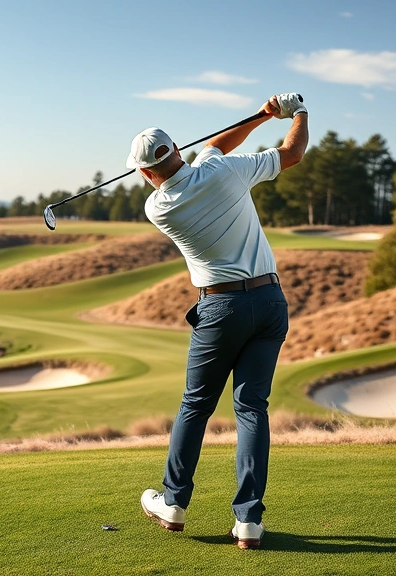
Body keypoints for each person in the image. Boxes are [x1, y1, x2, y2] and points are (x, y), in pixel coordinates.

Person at [135, 93, 309, 550]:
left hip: (221, 309)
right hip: (270, 301)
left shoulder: (158, 208)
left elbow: (209, 150)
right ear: (177, 150)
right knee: (251, 408)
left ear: (146, 174)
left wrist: (258, 117)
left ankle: (173, 504)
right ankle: (248, 520)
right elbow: (290, 154)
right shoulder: (222, 170)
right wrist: (289, 114)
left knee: (196, 405)